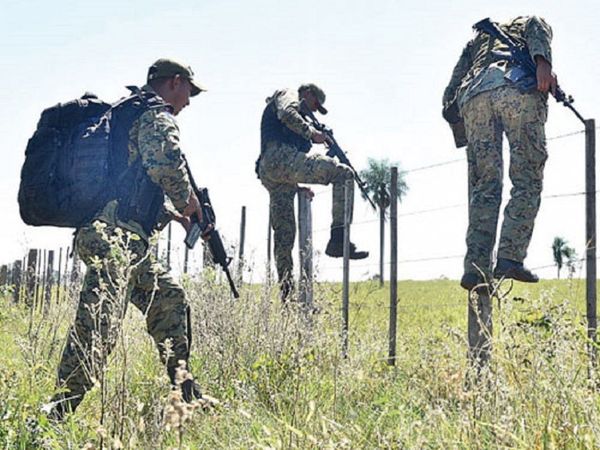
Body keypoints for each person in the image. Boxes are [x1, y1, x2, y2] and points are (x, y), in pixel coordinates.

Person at [48, 58, 208, 419]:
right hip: (114, 238)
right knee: (98, 325)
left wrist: (172, 213)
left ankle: (186, 392)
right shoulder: (155, 113)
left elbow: (130, 182)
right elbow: (166, 163)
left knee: (169, 299)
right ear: (175, 83)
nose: (188, 101)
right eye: (189, 91)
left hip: (122, 237)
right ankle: (54, 414)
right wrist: (189, 202)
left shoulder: (130, 114)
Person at [442, 16, 556, 290]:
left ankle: (475, 268)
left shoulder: (477, 40)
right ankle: (509, 256)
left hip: (474, 98)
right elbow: (538, 31)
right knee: (527, 177)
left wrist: (462, 130)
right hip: (515, 90)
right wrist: (543, 64)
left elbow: (450, 97)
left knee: (485, 186)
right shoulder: (530, 21)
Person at [257, 84, 369, 299]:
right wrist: (312, 133)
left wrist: (296, 182)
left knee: (284, 234)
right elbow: (286, 113)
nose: (314, 111)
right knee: (343, 174)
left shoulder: (302, 115)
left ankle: (287, 297)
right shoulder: (288, 95)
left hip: (273, 171)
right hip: (280, 160)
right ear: (307, 94)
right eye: (315, 104)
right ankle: (338, 239)